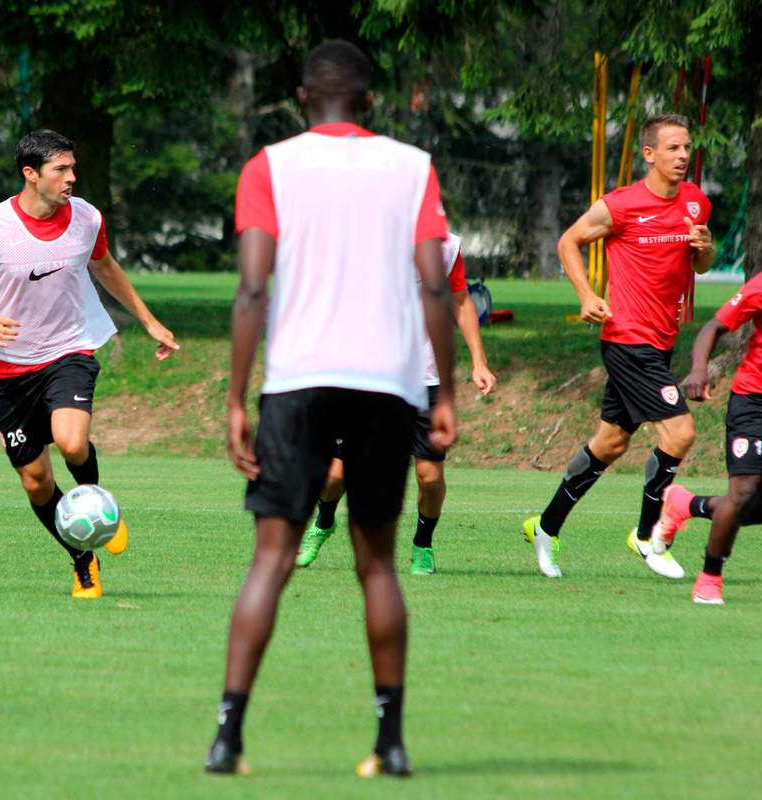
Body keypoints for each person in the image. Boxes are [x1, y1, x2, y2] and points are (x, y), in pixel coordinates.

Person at [205, 40, 457, 779]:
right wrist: (441, 392)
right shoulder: (412, 168)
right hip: (387, 381)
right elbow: (435, 287)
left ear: (303, 97)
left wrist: (233, 399)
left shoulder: (269, 166)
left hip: (298, 380)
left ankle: (228, 738)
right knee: (377, 565)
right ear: (371, 101)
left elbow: (252, 290)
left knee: (272, 558)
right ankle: (391, 743)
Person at [0, 129, 178, 599]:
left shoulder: (87, 218)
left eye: (73, 168)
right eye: (60, 170)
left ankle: (100, 510)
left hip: (70, 349)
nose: (72, 177)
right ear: (30, 174)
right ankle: (83, 557)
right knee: (37, 482)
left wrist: (149, 321)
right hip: (11, 370)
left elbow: (106, 267)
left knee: (72, 442)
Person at [521, 113, 714, 579]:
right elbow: (569, 241)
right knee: (681, 433)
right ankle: (649, 537)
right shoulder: (620, 205)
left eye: (687, 148)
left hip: (661, 340)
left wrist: (705, 246)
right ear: (649, 154)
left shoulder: (696, 203)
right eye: (673, 148)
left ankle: (545, 528)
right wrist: (586, 295)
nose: (683, 156)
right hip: (628, 340)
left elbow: (702, 264)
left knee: (609, 443)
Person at [296, 232, 497, 574]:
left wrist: (479, 361)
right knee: (335, 475)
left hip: (425, 377)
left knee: (429, 478)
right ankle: (324, 522)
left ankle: (423, 545)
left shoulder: (446, 245)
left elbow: (461, 302)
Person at [652, 272, 762, 604]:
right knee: (743, 492)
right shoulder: (759, 287)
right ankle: (709, 579)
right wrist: (699, 369)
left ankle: (685, 504)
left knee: (751, 506)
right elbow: (711, 328)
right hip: (755, 401)